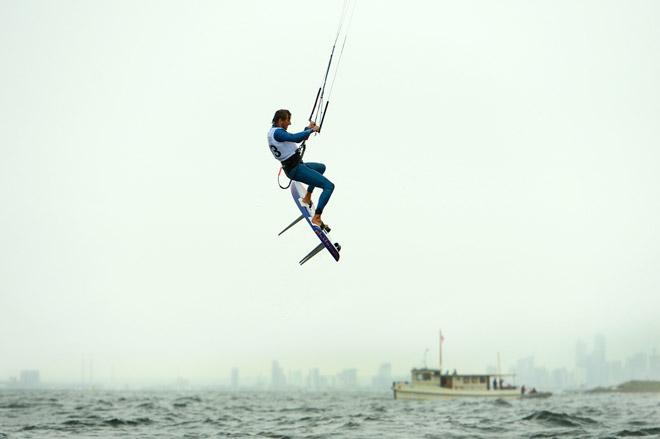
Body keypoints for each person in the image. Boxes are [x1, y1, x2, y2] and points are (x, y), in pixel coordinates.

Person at [268, 109, 335, 230]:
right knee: (329, 186)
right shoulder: (277, 133)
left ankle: (307, 197)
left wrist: (308, 128)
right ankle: (317, 217)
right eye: (288, 120)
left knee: (321, 168)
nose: (290, 123)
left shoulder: (275, 132)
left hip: (298, 165)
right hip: (295, 169)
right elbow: (296, 138)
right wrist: (311, 130)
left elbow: (295, 138)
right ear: (280, 120)